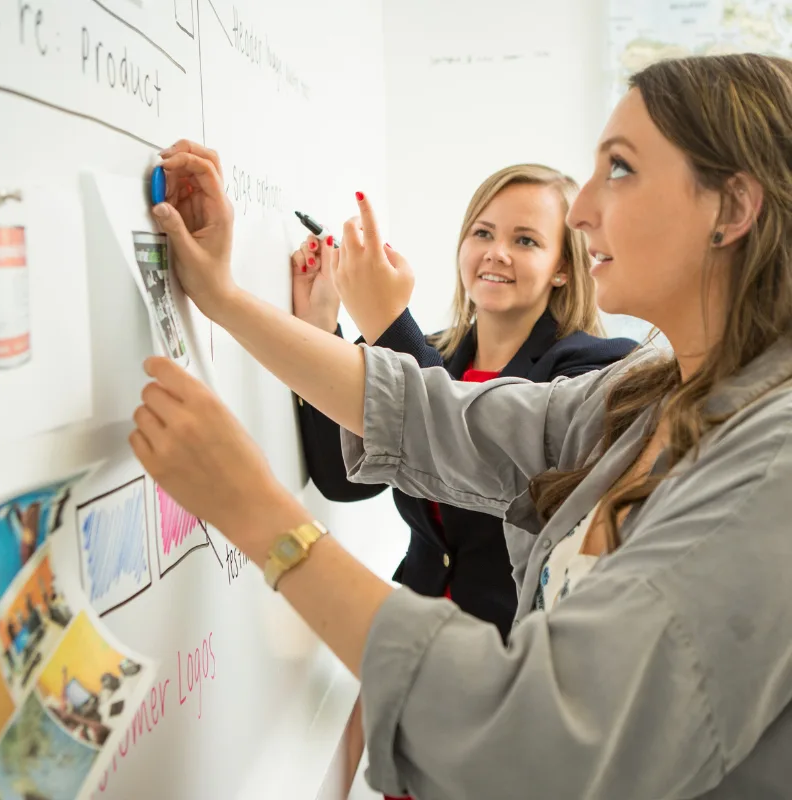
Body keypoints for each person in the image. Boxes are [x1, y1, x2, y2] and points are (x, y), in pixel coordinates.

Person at [133, 53, 792, 798]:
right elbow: (431, 416)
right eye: (484, 232)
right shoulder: (649, 393)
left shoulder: (772, 468)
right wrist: (220, 296)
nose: (581, 211)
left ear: (733, 210)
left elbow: (542, 736)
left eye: (620, 168)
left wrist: (260, 517)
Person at [292, 165, 635, 640]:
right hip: (412, 632)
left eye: (525, 241)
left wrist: (389, 324)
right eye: (483, 233)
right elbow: (344, 482)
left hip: (511, 655)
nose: (496, 253)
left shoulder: (595, 370)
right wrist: (321, 327)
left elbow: (472, 461)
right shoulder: (428, 350)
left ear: (562, 267)